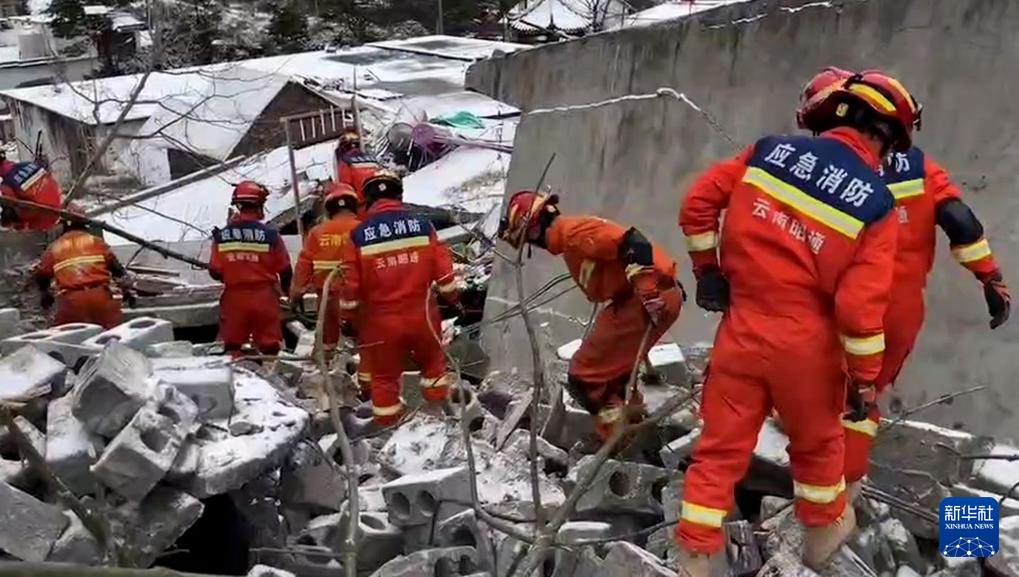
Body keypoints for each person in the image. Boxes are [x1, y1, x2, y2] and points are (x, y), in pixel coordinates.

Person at [675, 71, 919, 574]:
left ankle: (695, 557)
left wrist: (708, 272)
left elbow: (697, 205)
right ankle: (821, 551)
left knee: (718, 453)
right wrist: (863, 381)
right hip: (808, 351)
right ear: (886, 136)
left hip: (740, 333)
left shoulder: (767, 153)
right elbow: (858, 312)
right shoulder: (876, 203)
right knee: (819, 450)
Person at [797, 67, 1011, 492]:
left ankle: (814, 499)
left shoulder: (825, 169)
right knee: (863, 401)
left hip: (837, 307)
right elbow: (959, 221)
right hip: (899, 313)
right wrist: (991, 278)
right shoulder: (919, 167)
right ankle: (845, 487)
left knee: (814, 395)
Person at [497, 192, 683, 442]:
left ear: (531, 230)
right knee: (615, 377)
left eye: (526, 239)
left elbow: (633, 242)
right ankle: (639, 435)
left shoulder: (575, 234)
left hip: (644, 298)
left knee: (584, 378)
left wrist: (647, 291)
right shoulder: (571, 237)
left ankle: (618, 440)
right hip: (649, 296)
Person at [339, 170, 459, 427]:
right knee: (433, 365)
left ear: (368, 200)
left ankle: (388, 430)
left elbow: (350, 286)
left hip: (380, 323)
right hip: (423, 316)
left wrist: (347, 319)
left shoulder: (359, 236)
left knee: (384, 377)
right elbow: (444, 271)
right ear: (399, 195)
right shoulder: (422, 225)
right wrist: (453, 298)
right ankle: (439, 421)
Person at [208, 181, 292, 359]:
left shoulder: (222, 236)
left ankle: (237, 381)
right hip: (265, 299)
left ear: (238, 205)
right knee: (270, 349)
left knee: (233, 348)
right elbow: (285, 270)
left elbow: (215, 271)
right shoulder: (270, 235)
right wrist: (288, 295)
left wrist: (236, 271)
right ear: (259, 205)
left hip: (234, 299)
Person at [290, 182, 362, 356]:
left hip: (327, 301)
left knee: (329, 346)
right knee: (363, 347)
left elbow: (303, 268)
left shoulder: (316, 233)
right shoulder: (364, 230)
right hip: (359, 301)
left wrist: (295, 297)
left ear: (328, 207)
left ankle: (330, 375)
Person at [35, 204, 134, 328]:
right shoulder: (96, 241)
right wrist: (127, 291)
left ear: (65, 224)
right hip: (101, 297)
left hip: (72, 301)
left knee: (69, 340)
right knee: (111, 338)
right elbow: (118, 271)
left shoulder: (55, 247)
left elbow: (41, 275)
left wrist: (45, 293)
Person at [0, 154, 62, 231]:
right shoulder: (28, 164)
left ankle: (18, 231)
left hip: (42, 221)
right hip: (57, 206)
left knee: (7, 207)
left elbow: (15, 207)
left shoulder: (6, 185)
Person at [335, 130, 380, 211]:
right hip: (378, 202)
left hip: (362, 207)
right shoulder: (373, 159)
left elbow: (345, 188)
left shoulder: (345, 162)